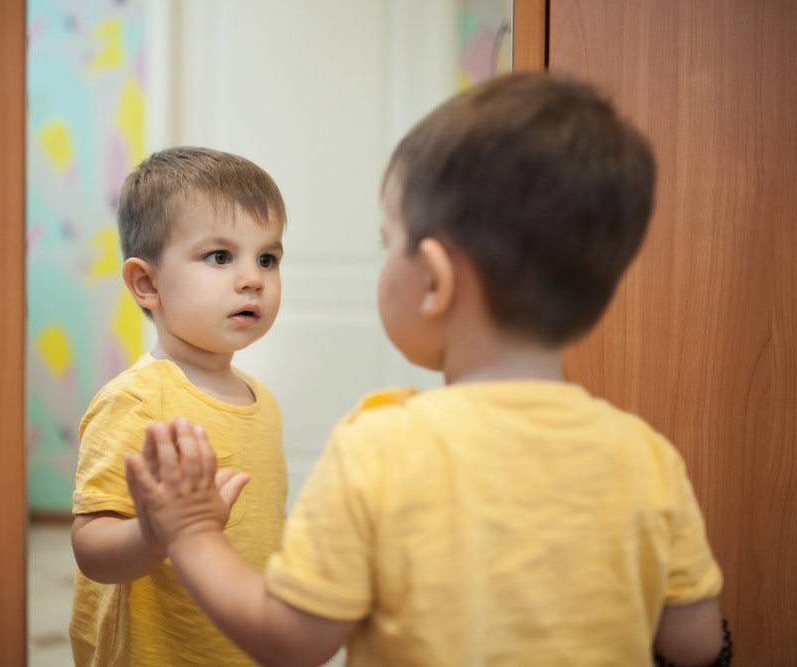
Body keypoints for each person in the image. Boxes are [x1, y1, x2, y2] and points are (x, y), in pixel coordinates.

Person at [125, 73, 729, 666]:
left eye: (389, 243)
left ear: (434, 281)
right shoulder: (647, 457)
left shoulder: (379, 447)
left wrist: (192, 533)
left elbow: (291, 641)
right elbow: (696, 643)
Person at [69, 146, 290, 666]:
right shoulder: (139, 399)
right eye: (220, 256)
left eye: (268, 258)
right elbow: (91, 547)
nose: (253, 278)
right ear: (147, 284)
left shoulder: (265, 403)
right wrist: (155, 533)